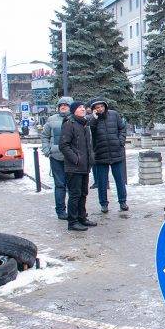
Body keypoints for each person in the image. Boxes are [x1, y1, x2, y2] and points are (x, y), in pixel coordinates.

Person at [60, 101, 97, 232]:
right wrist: (75, 159)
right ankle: (73, 221)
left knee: (83, 193)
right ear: (74, 110)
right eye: (80, 107)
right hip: (74, 167)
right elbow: (64, 145)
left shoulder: (84, 124)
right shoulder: (69, 124)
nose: (83, 109)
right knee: (75, 194)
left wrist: (90, 158)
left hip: (85, 166)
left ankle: (82, 218)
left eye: (83, 107)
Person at [87, 97, 128, 213]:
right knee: (102, 181)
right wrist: (94, 118)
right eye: (97, 107)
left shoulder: (114, 115)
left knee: (120, 180)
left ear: (105, 106)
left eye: (101, 106)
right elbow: (90, 132)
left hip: (116, 152)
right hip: (100, 154)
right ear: (93, 109)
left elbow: (122, 128)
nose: (100, 109)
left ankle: (123, 201)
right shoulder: (91, 119)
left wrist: (120, 141)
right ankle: (103, 204)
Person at [41, 96, 74, 219]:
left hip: (72, 157)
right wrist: (47, 150)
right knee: (60, 185)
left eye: (66, 105)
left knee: (73, 186)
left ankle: (74, 210)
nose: (63, 107)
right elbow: (44, 136)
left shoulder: (75, 119)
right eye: (61, 105)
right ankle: (60, 211)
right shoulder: (51, 119)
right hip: (56, 157)